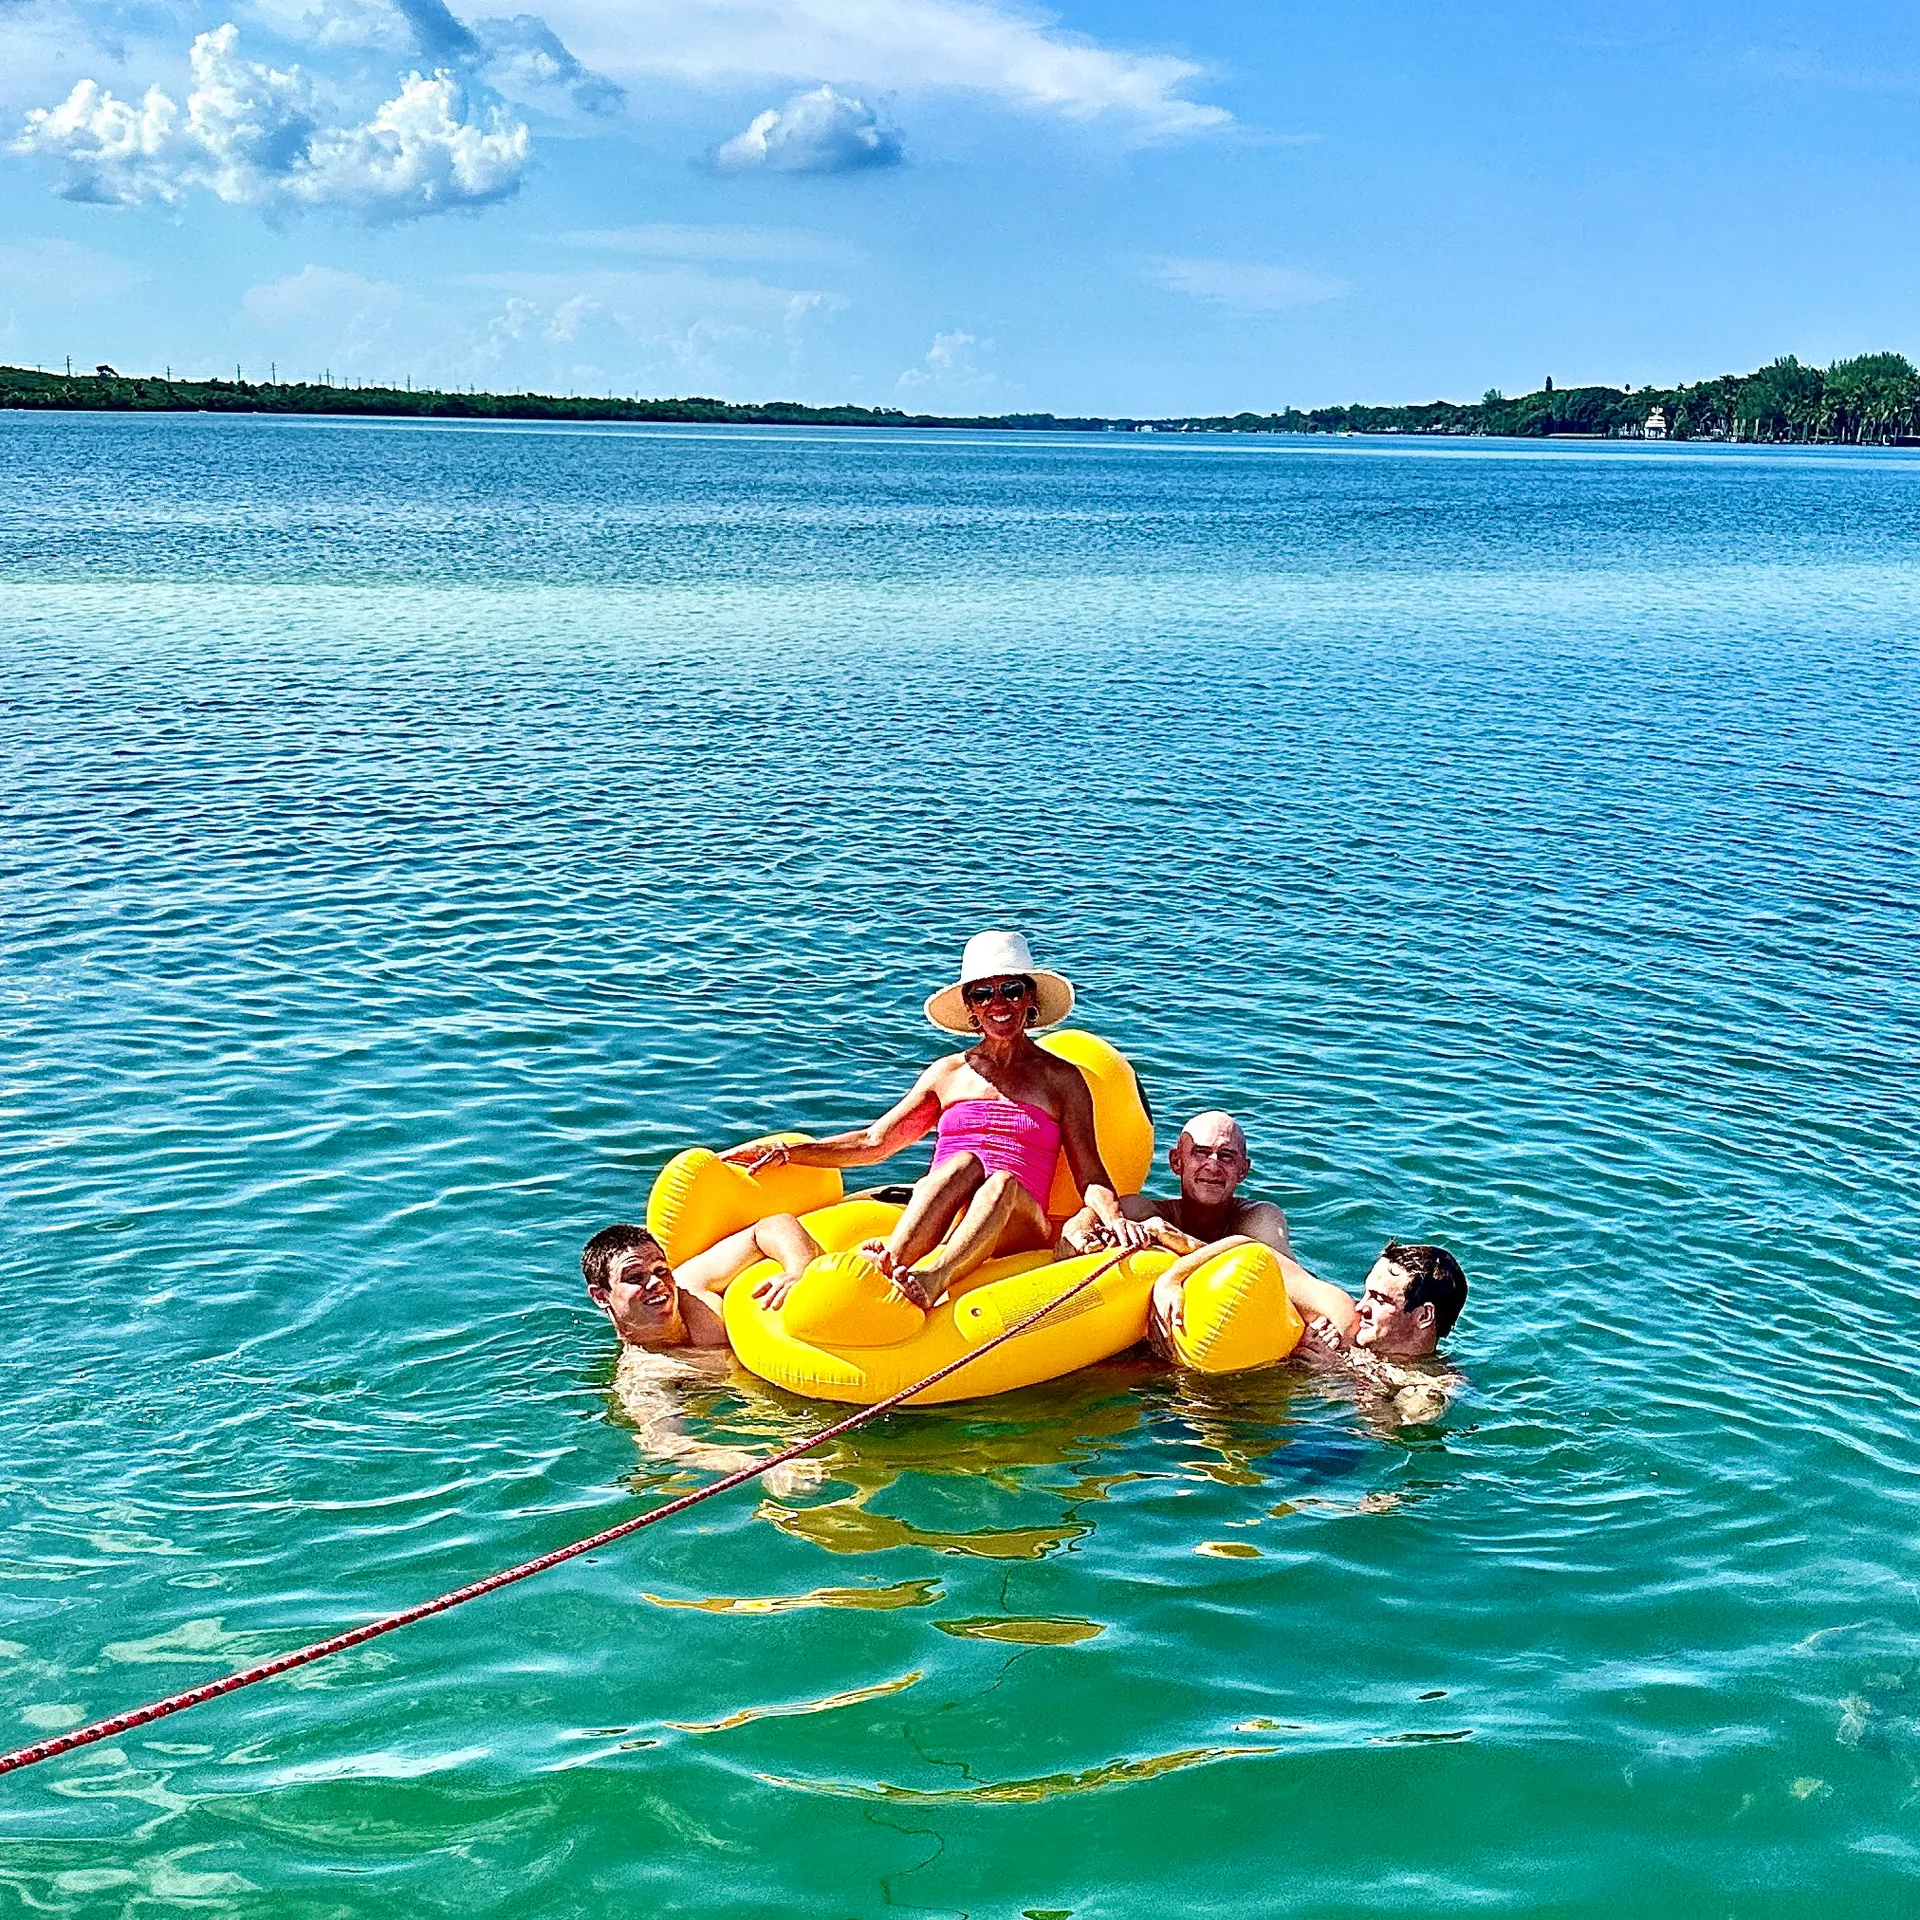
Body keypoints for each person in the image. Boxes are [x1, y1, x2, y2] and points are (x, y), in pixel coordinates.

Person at [720, 931, 1148, 1309]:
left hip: (1018, 1223)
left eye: (1011, 990)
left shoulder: (1061, 1079)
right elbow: (875, 1142)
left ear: (1031, 998)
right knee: (962, 1163)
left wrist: (1116, 1220)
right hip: (952, 1216)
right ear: (970, 1007)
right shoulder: (948, 1074)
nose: (998, 1004)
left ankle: (933, 1278)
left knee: (999, 1182)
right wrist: (789, 1152)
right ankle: (890, 1265)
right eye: (983, 994)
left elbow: (1091, 1174)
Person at [581, 1217, 826, 1491]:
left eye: (661, 1270)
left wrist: (798, 1270)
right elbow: (664, 1445)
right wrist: (761, 1467)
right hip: (763, 1415)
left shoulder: (693, 1289)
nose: (656, 1283)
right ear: (601, 1296)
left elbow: (770, 1226)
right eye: (634, 1278)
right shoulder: (646, 1374)